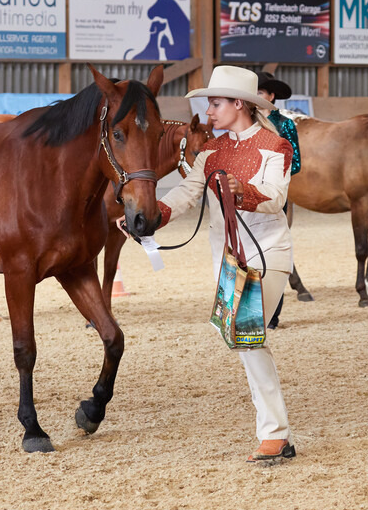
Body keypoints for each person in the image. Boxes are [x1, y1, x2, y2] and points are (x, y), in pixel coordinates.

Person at [121, 65, 296, 463]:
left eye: (215, 103)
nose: (209, 111)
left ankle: (275, 435)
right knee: (241, 337)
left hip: (267, 253)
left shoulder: (276, 146)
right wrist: (150, 218)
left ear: (239, 104)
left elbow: (275, 198)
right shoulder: (212, 151)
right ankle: (276, 432)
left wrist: (242, 189)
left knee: (245, 336)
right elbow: (186, 193)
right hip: (228, 259)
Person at [256, 71, 301, 329]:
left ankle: (272, 314)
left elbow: (295, 163)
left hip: (273, 194)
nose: (257, 98)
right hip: (245, 193)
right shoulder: (245, 125)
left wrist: (269, 173)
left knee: (271, 253)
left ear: (271, 96)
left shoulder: (285, 125)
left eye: (261, 93)